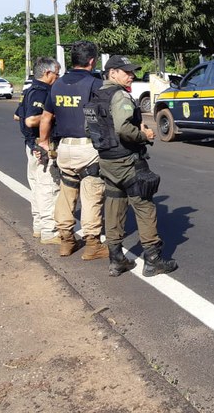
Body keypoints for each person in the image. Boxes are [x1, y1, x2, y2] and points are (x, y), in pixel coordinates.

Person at [85, 54, 177, 277]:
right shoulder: (120, 97)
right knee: (144, 206)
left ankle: (116, 259)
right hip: (127, 161)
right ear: (113, 73)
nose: (132, 76)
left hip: (107, 161)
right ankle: (153, 260)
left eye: (132, 72)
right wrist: (144, 134)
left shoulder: (97, 96)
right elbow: (124, 129)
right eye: (127, 72)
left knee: (114, 205)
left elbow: (89, 129)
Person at [37, 41, 108, 260]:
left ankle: (66, 241)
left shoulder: (57, 85)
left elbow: (47, 117)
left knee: (66, 196)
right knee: (91, 196)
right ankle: (93, 244)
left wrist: (44, 142)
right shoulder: (95, 84)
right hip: (87, 149)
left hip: (64, 148)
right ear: (92, 61)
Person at [16, 56, 61, 243]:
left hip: (31, 144)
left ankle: (39, 226)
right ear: (47, 73)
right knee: (48, 188)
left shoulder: (28, 90)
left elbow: (16, 115)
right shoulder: (42, 92)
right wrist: (52, 116)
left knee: (36, 187)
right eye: (57, 74)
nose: (58, 77)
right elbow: (29, 119)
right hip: (41, 145)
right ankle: (50, 231)